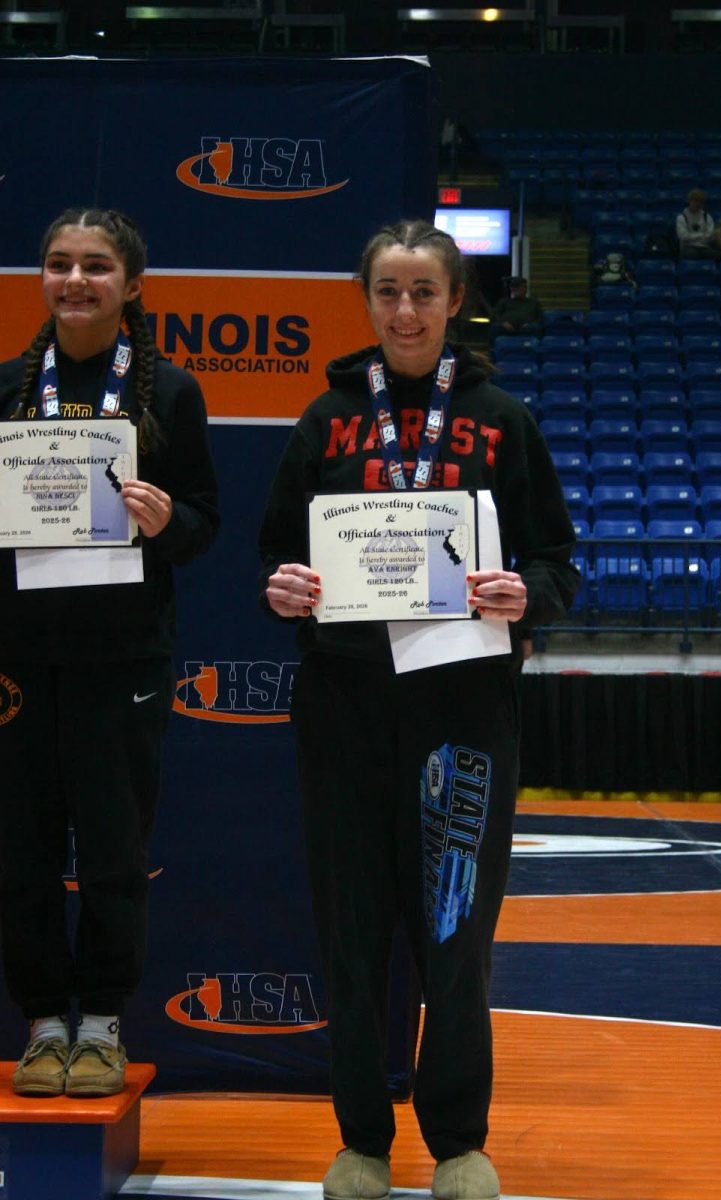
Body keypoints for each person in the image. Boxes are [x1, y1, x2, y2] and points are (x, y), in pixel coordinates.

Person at [257, 219, 578, 1200]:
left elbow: (555, 561)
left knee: (453, 938)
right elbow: (274, 558)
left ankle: (457, 1144)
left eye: (422, 293)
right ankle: (360, 1138)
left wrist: (531, 595)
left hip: (463, 716)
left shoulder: (501, 419)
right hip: (343, 713)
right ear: (367, 301)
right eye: (387, 293)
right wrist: (285, 591)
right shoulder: (323, 420)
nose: (403, 312)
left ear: (452, 301)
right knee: (350, 938)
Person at [0, 208, 219, 1098]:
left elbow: (204, 524)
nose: (75, 281)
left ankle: (103, 1023)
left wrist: (169, 525)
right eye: (59, 265)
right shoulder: (8, 387)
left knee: (115, 853)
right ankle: (44, 1021)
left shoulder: (168, 393)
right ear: (41, 280)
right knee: (20, 853)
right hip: (17, 664)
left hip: (123, 659)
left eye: (96, 267)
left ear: (131, 286)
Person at [489, 274, 543, 339]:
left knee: (535, 329)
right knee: (495, 328)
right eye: (513, 287)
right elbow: (494, 315)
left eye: (517, 287)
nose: (514, 289)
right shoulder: (505, 302)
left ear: (525, 288)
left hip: (527, 329)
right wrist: (503, 323)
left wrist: (530, 324)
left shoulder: (533, 303)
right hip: (506, 329)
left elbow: (540, 318)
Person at [675, 188, 717, 259]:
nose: (697, 203)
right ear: (689, 201)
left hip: (704, 247)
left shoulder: (707, 216)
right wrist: (701, 235)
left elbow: (710, 235)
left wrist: (692, 236)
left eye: (700, 201)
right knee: (692, 254)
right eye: (695, 201)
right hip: (688, 247)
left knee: (716, 255)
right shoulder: (681, 217)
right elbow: (683, 236)